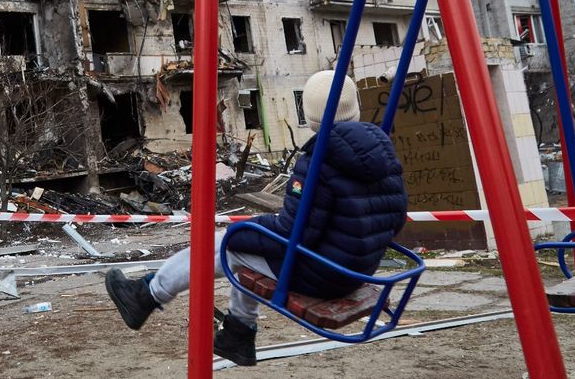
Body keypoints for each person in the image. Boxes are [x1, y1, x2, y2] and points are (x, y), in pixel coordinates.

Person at [104, 70, 407, 366]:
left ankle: (146, 295)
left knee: (224, 245)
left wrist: (246, 229)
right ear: (356, 106)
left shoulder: (318, 163)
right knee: (247, 252)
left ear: (310, 114)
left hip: (323, 275)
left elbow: (293, 234)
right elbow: (395, 219)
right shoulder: (383, 153)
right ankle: (238, 333)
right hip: (358, 269)